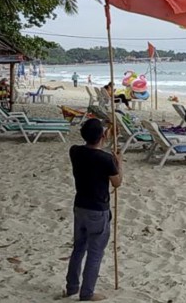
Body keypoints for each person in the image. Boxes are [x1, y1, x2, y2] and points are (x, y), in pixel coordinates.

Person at [65, 118, 122, 301]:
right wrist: (119, 163)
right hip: (97, 210)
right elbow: (117, 182)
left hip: (80, 206)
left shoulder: (74, 151)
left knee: (79, 248)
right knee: (95, 252)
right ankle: (87, 293)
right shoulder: (105, 159)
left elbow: (91, 152)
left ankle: (72, 287)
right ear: (103, 136)